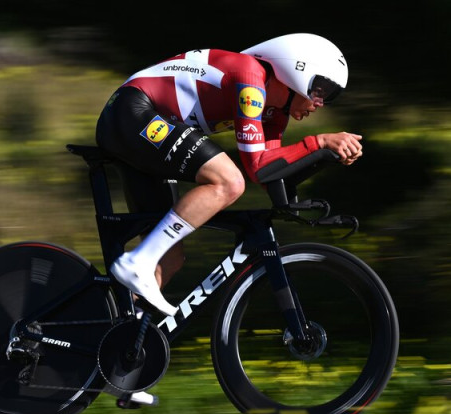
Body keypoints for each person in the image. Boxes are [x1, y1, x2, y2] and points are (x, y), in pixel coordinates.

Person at [96, 33, 363, 319]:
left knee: (169, 259)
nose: (320, 102)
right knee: (227, 181)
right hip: (132, 111)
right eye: (320, 89)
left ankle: (111, 330)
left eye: (329, 96)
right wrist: (319, 142)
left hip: (143, 129)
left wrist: (321, 158)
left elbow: (264, 171)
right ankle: (137, 263)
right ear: (297, 69)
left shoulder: (274, 114)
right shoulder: (250, 76)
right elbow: (255, 168)